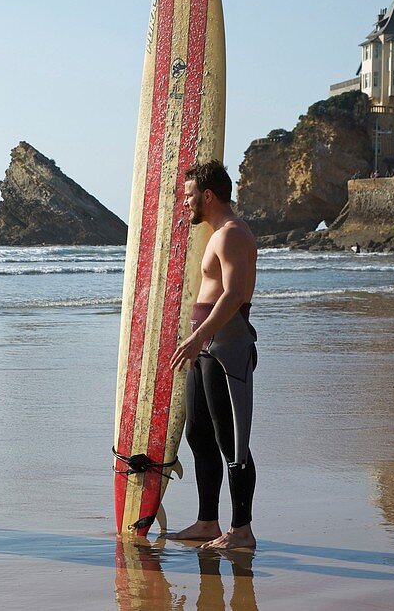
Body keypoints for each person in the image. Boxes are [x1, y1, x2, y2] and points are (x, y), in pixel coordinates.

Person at [166, 161, 259, 550]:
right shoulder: (218, 233)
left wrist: (199, 336)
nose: (185, 203)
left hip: (226, 346)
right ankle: (208, 521)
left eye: (188, 195)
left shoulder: (233, 234)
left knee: (231, 440)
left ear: (207, 196)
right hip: (205, 345)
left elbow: (234, 294)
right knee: (198, 434)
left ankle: (242, 531)